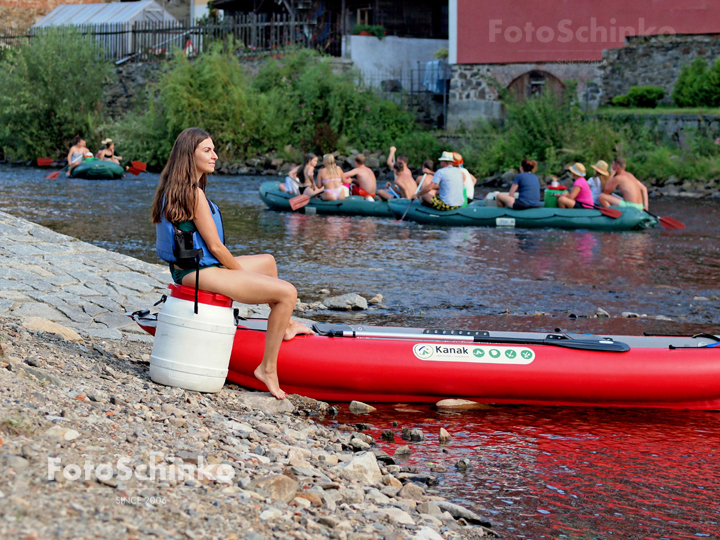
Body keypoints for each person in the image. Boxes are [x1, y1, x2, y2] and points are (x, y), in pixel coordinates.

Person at [151, 127, 312, 399]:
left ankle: (286, 326)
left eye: (213, 149)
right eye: (207, 150)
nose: (215, 155)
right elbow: (215, 247)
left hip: (194, 269)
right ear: (189, 156)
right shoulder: (193, 193)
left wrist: (241, 273)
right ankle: (267, 369)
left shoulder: (178, 188)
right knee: (287, 292)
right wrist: (238, 275)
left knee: (268, 263)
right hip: (197, 273)